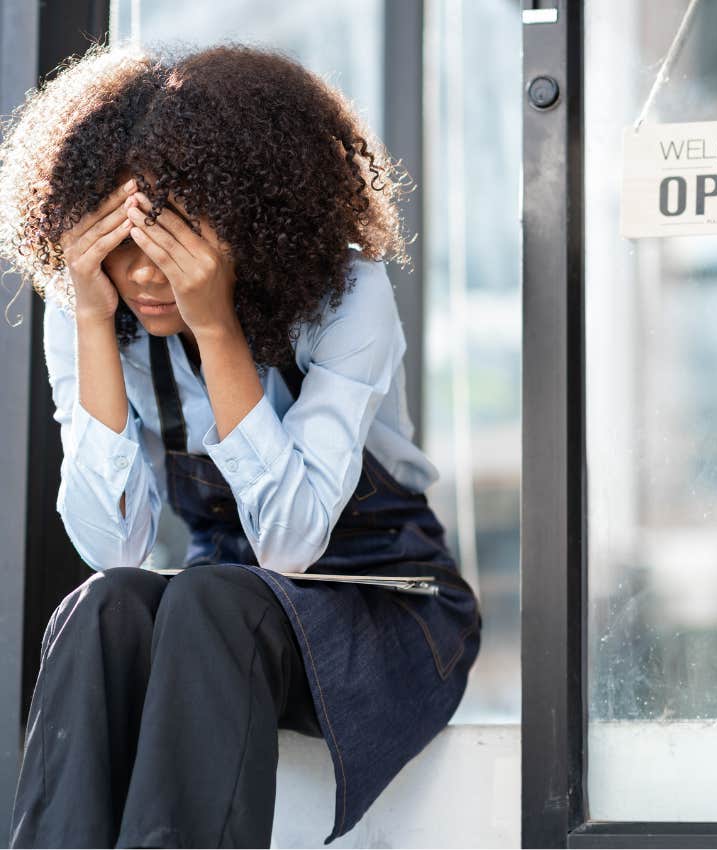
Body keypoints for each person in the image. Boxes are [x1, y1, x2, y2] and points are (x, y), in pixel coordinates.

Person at [0, 41, 482, 848]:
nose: (147, 274)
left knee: (212, 596)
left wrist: (215, 323)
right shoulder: (91, 312)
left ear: (249, 216)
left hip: (388, 605)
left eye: (174, 234)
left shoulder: (348, 298)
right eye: (119, 241)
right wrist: (87, 319)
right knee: (107, 604)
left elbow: (289, 544)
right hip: (223, 630)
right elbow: (110, 547)